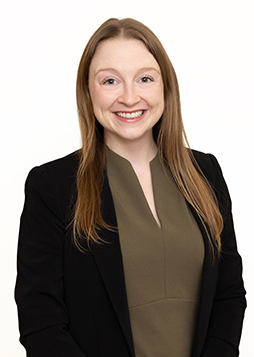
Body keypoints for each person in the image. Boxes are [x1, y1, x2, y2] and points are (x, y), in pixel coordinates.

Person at [15, 18, 246, 357]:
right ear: (87, 91)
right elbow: (41, 321)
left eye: (144, 78)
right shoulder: (52, 186)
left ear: (165, 86)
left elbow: (229, 295)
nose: (128, 96)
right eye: (110, 80)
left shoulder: (205, 173)